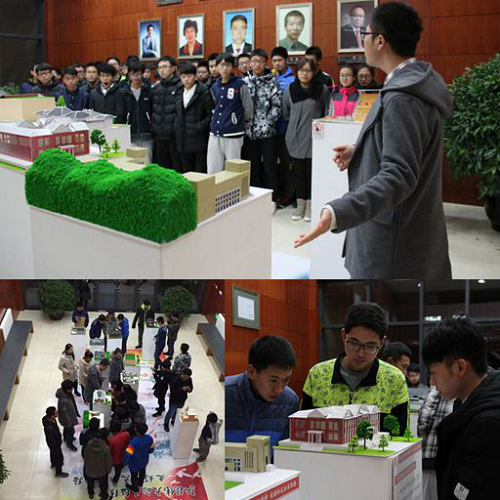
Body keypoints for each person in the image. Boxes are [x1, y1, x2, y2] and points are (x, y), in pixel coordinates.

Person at [295, 2, 452, 279]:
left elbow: (399, 175)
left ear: (380, 41)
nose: (363, 41)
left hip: (393, 243)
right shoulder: (414, 84)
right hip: (411, 231)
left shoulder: (403, 97)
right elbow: (410, 147)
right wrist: (362, 149)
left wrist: (338, 211)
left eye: (366, 35)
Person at [422, 315, 500, 500]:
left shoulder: (489, 424)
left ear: (460, 367)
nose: (431, 382)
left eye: (434, 373)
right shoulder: (470, 400)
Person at [301, 302, 409, 434]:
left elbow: (401, 436)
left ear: (382, 343)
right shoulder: (318, 375)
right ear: (343, 336)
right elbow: (303, 429)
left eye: (370, 346)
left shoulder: (394, 380)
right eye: (354, 343)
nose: (361, 353)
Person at [225, 335, 299, 451]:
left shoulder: (290, 402)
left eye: (286, 380)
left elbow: (285, 452)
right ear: (251, 371)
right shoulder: (226, 393)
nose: (279, 390)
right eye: (273, 380)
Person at [282, 57, 329, 222]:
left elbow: (326, 112)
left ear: (314, 72)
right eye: (301, 70)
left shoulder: (322, 90)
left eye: (308, 70)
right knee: (298, 173)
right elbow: (286, 113)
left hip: (314, 138)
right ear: (297, 72)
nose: (304, 74)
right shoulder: (290, 90)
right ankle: (300, 205)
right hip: (294, 137)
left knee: (311, 174)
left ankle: (310, 205)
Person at [243, 48, 282, 203]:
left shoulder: (273, 82)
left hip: (267, 133)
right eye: (254, 61)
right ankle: (255, 199)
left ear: (266, 63)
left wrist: (267, 124)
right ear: (250, 63)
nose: (257, 64)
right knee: (253, 168)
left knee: (269, 167)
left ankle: (272, 199)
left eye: (261, 61)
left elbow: (277, 107)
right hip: (248, 133)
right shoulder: (244, 82)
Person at [207, 53, 254, 174]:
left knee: (233, 171)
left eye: (228, 65)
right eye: (221, 65)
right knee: (213, 169)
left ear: (232, 67)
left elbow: (248, 109)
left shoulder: (240, 84)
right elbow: (214, 107)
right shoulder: (214, 86)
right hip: (215, 133)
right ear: (217, 66)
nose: (224, 68)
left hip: (233, 133)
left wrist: (235, 120)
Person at [175, 62, 215, 173]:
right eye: (183, 77)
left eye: (189, 76)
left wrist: (198, 127)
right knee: (186, 173)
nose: (186, 79)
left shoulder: (203, 92)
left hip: (199, 140)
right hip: (183, 140)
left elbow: (211, 115)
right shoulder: (179, 92)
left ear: (195, 76)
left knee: (199, 173)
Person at [417, 386, 454, 500]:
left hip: (431, 453)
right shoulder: (462, 388)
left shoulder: (437, 387)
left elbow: (424, 419)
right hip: (449, 458)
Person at [271, 46, 295, 208]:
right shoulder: (270, 77)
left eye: (280, 60)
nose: (277, 63)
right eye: (274, 61)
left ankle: (289, 194)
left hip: (286, 129)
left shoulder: (292, 80)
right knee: (274, 165)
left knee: (287, 164)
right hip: (271, 130)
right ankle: (277, 193)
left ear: (286, 60)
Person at [150, 56, 183, 171]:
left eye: (165, 67)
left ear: (173, 68)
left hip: (175, 136)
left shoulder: (181, 86)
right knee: (161, 169)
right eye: (159, 68)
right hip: (159, 135)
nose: (162, 70)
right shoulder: (156, 88)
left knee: (177, 168)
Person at [122, 61, 153, 163]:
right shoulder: (123, 92)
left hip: (146, 134)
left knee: (147, 163)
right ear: (129, 75)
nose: (136, 77)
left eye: (138, 74)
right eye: (133, 74)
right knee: (132, 164)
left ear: (142, 74)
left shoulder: (149, 91)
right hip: (129, 134)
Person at [124, 422, 155, 494]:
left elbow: (127, 455)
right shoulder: (149, 438)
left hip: (134, 464)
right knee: (142, 472)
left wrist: (125, 462)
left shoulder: (133, 443)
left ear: (136, 431)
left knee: (134, 476)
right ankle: (140, 483)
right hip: (144, 461)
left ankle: (135, 488)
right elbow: (151, 449)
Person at [84, 428, 113, 500]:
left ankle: (91, 494)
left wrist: (86, 466)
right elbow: (108, 462)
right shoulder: (106, 448)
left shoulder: (89, 443)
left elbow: (85, 456)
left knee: (90, 484)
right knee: (103, 485)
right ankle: (104, 496)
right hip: (102, 472)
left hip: (90, 470)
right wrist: (109, 470)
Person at [42, 406, 69, 477]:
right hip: (54, 444)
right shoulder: (49, 428)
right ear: (51, 416)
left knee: (52, 453)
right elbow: (51, 438)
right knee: (59, 457)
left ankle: (53, 463)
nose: (57, 413)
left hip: (52, 443)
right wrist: (57, 443)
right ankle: (58, 472)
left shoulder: (47, 419)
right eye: (56, 412)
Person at [164, 368, 193, 432]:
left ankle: (173, 420)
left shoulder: (189, 380)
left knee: (177, 412)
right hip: (174, 400)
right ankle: (166, 423)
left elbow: (191, 388)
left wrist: (189, 389)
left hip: (182, 400)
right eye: (185, 377)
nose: (186, 378)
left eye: (188, 377)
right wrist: (182, 389)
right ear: (183, 374)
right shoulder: (175, 380)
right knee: (171, 412)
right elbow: (173, 391)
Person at [55, 379, 81, 452]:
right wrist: (69, 423)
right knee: (71, 431)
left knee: (66, 429)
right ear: (67, 389)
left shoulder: (66, 393)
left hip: (69, 416)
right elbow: (64, 414)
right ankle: (69, 443)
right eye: (71, 388)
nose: (72, 389)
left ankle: (66, 438)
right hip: (67, 420)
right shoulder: (63, 400)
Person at [109, 420, 131, 485]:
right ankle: (116, 479)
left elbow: (110, 451)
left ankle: (115, 480)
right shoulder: (126, 434)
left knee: (117, 470)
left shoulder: (111, 440)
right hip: (125, 456)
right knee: (118, 471)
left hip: (116, 459)